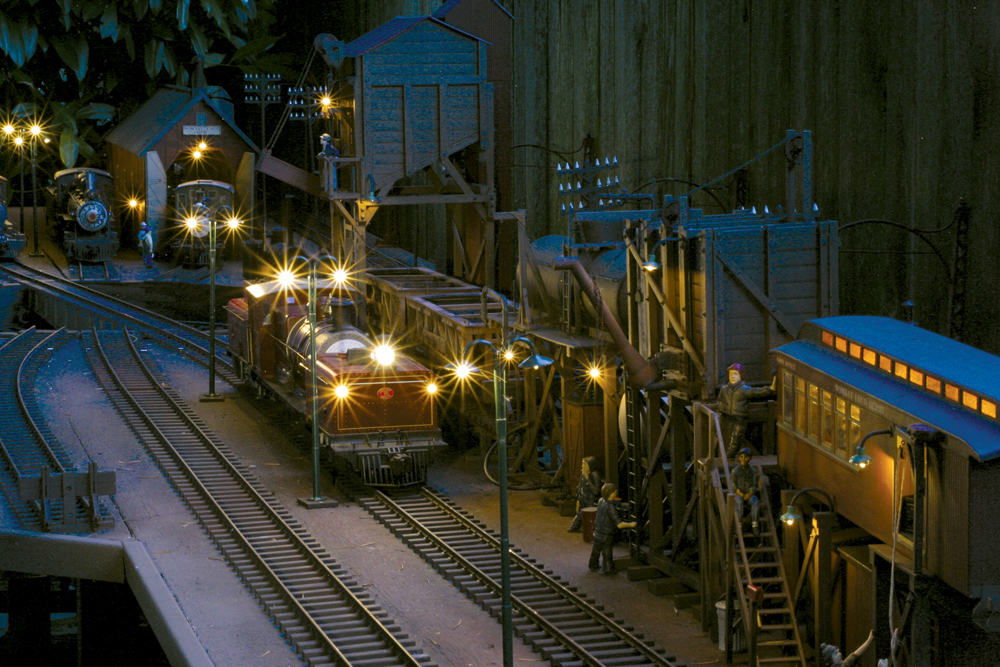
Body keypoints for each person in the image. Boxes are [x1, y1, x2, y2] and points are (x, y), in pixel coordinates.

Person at [716, 363, 775, 457]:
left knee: (737, 437)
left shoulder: (744, 389)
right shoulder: (724, 389)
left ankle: (729, 456)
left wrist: (770, 389)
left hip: (740, 418)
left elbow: (757, 392)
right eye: (731, 374)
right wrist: (721, 409)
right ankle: (728, 456)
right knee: (726, 437)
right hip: (726, 417)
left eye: (735, 374)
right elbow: (719, 401)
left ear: (741, 376)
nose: (732, 376)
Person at [588, 483, 636, 575]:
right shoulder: (611, 508)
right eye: (615, 492)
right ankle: (608, 569)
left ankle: (593, 565)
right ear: (611, 493)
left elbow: (608, 505)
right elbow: (619, 525)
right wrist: (631, 524)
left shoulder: (601, 501)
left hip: (597, 531)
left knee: (596, 550)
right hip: (606, 534)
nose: (616, 493)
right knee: (607, 553)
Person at [730, 447, 761, 535]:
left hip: (749, 494)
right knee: (739, 502)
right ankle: (739, 525)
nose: (743, 459)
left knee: (755, 501)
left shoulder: (753, 471)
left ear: (750, 458)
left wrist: (749, 494)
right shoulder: (735, 471)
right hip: (739, 494)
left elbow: (754, 485)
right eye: (742, 456)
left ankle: (755, 525)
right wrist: (742, 494)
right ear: (739, 457)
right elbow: (734, 486)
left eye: (746, 457)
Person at [567, 456, 602, 533]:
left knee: (591, 515)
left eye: (585, 464)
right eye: (582, 464)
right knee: (580, 514)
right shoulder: (583, 474)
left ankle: (593, 530)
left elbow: (596, 491)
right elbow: (580, 485)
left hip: (590, 499)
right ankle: (574, 527)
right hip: (583, 497)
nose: (582, 466)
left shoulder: (594, 476)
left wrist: (587, 479)